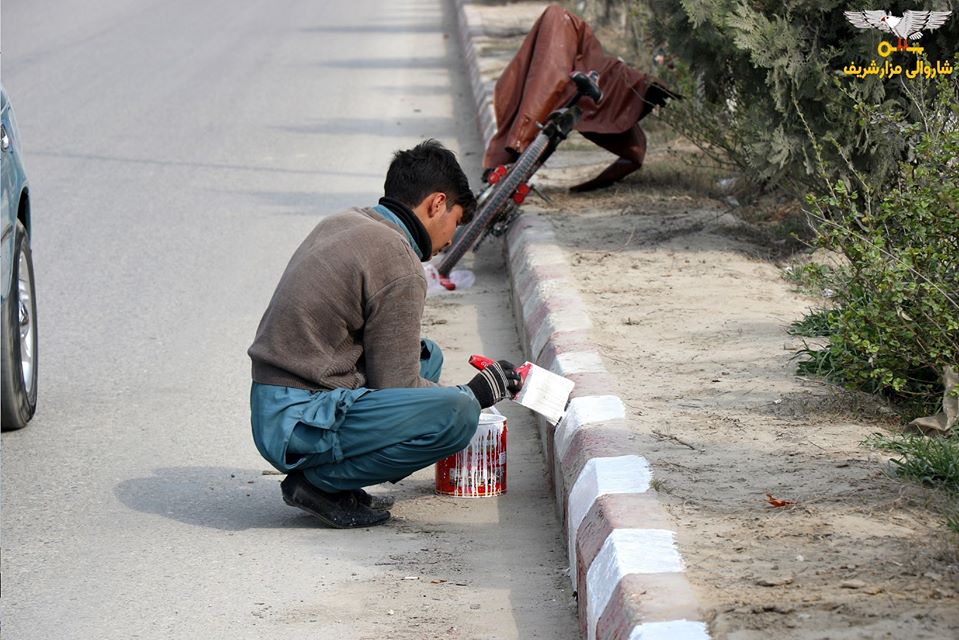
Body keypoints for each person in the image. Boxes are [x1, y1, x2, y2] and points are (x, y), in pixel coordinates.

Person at [248, 140, 523, 529]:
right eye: (456, 222)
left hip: (276, 404)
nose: (450, 239)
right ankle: (319, 483)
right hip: (298, 420)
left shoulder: (348, 220)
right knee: (457, 416)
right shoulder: (399, 262)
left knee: (428, 354)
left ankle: (336, 474)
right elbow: (399, 388)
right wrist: (477, 394)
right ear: (436, 204)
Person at [483, 4, 678, 192]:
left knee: (551, 88)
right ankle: (517, 148)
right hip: (569, 62)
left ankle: (516, 148)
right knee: (550, 80)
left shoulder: (566, 29)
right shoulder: (562, 25)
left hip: (580, 72)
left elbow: (635, 152)